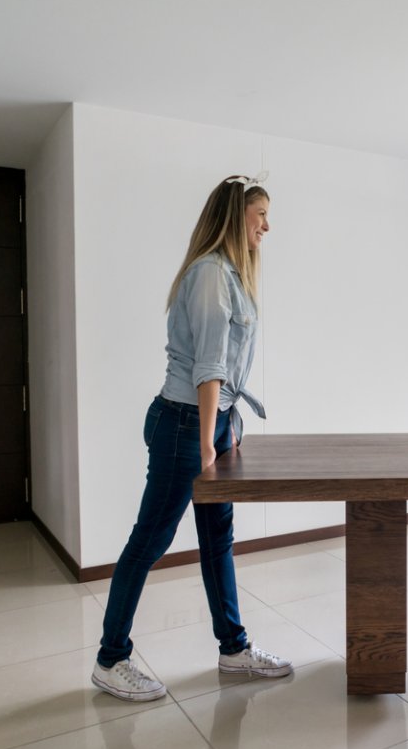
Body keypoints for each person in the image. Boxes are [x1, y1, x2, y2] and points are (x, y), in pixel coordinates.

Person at [91, 174, 292, 702]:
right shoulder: (208, 275)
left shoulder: (231, 275)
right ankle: (110, 660)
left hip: (211, 423)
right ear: (235, 215)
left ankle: (233, 649)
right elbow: (208, 369)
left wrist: (227, 431)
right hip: (185, 424)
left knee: (217, 539)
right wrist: (207, 446)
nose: (267, 225)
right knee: (149, 542)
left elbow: (226, 375)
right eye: (260, 214)